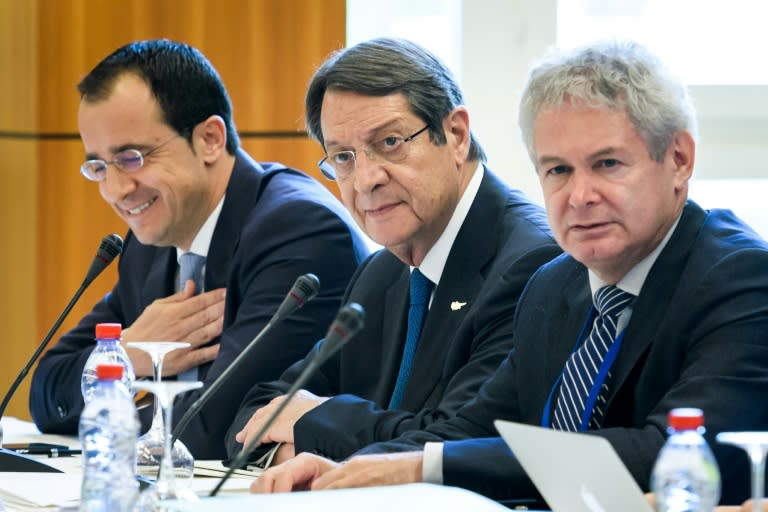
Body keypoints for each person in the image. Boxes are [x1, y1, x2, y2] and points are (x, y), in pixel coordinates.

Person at [250, 40, 768, 506]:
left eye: (608, 164)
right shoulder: (557, 285)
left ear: (678, 159)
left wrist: (413, 465)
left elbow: (673, 455)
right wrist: (354, 469)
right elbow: (476, 430)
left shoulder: (740, 277)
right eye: (558, 170)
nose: (580, 195)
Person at [224, 37, 560, 466]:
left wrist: (313, 424)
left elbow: (459, 443)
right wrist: (300, 434)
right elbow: (254, 417)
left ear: (456, 134)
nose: (365, 180)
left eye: (389, 143)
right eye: (343, 157)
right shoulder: (380, 273)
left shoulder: (532, 263)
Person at [29, 39, 370, 460]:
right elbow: (45, 391)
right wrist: (126, 356)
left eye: (132, 158)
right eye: (98, 166)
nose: (116, 190)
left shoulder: (299, 230)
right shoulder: (148, 244)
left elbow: (219, 424)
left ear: (209, 138)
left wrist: (110, 407)